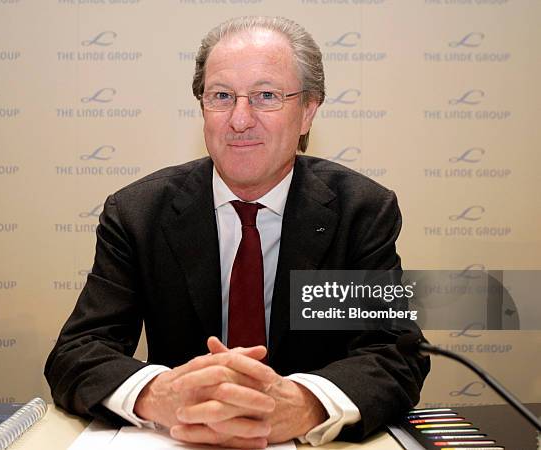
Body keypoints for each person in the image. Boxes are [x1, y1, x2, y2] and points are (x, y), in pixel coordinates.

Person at [45, 16, 429, 449]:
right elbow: (77, 353)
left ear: (307, 111)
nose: (240, 119)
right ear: (202, 108)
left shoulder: (357, 212)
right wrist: (163, 395)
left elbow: (393, 354)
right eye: (221, 96)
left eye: (266, 96)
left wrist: (303, 403)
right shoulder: (139, 213)